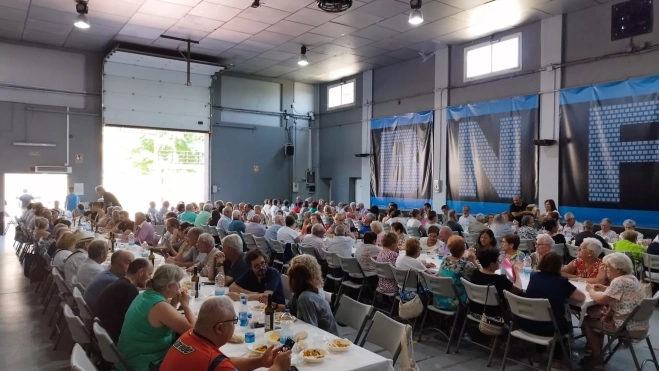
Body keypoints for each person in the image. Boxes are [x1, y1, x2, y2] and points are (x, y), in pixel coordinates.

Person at [160, 297, 291, 371]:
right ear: (219, 328)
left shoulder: (189, 336)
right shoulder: (212, 359)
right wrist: (277, 367)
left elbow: (225, 363)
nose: (235, 325)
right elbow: (221, 365)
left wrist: (260, 361)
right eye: (234, 321)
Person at [118, 264, 196, 371]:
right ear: (168, 286)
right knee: (195, 359)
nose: (179, 287)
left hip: (130, 356)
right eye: (178, 283)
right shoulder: (159, 306)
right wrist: (186, 305)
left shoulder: (145, 295)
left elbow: (165, 319)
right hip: (143, 363)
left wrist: (174, 302)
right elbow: (194, 332)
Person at [582, 253, 649, 370]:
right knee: (596, 315)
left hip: (625, 328)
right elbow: (619, 293)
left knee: (587, 320)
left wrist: (590, 289)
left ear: (618, 269)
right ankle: (598, 354)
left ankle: (597, 359)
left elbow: (601, 300)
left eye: (609, 268)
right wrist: (605, 288)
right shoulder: (631, 278)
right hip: (641, 326)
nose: (607, 271)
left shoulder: (618, 281)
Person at [520, 252, 586, 370]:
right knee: (562, 325)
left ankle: (537, 356)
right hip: (551, 328)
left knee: (541, 316)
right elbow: (581, 298)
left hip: (527, 323)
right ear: (559, 266)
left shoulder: (534, 276)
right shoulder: (561, 281)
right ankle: (557, 361)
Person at [96, 259, 153, 342]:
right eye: (149, 274)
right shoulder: (129, 290)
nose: (150, 278)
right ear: (141, 272)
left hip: (105, 332)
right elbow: (140, 319)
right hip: (116, 337)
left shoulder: (121, 283)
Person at [469, 249, 523, 318]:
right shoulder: (499, 279)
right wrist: (517, 273)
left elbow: (482, 269)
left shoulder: (475, 273)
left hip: (475, 312)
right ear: (492, 264)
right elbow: (518, 290)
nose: (499, 262)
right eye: (498, 261)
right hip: (494, 316)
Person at [286, 264, 339, 335]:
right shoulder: (304, 293)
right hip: (325, 335)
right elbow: (288, 310)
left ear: (293, 280)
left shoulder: (305, 298)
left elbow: (311, 329)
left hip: (327, 339)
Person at [435, 236, 477, 310]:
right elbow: (481, 274)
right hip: (455, 301)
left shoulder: (445, 259)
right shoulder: (466, 265)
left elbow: (456, 261)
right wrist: (474, 261)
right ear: (464, 249)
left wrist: (464, 258)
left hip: (439, 299)